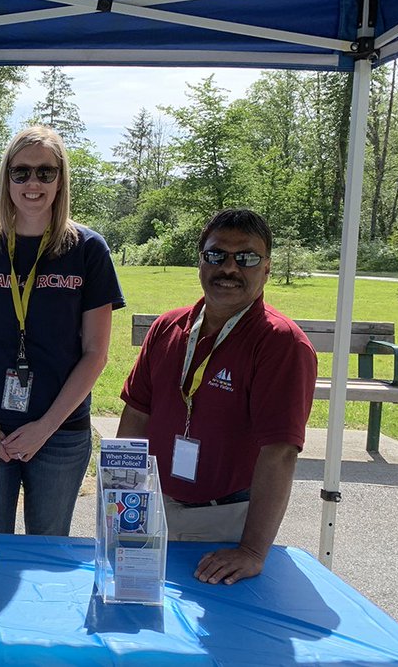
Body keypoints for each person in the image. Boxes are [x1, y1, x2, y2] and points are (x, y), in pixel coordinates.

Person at [117, 208, 316, 585]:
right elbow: (137, 416)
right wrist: (124, 501)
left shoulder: (281, 344)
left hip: (225, 524)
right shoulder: (168, 327)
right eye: (216, 254)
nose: (229, 268)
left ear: (267, 268)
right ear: (200, 261)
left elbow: (280, 453)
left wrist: (252, 551)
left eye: (246, 258)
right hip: (151, 508)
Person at [0, 126, 125, 537]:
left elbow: (96, 353)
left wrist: (45, 427)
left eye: (45, 172)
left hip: (60, 433)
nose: (33, 183)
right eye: (21, 172)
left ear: (61, 179)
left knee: (48, 549)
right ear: (6, 178)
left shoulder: (88, 249)